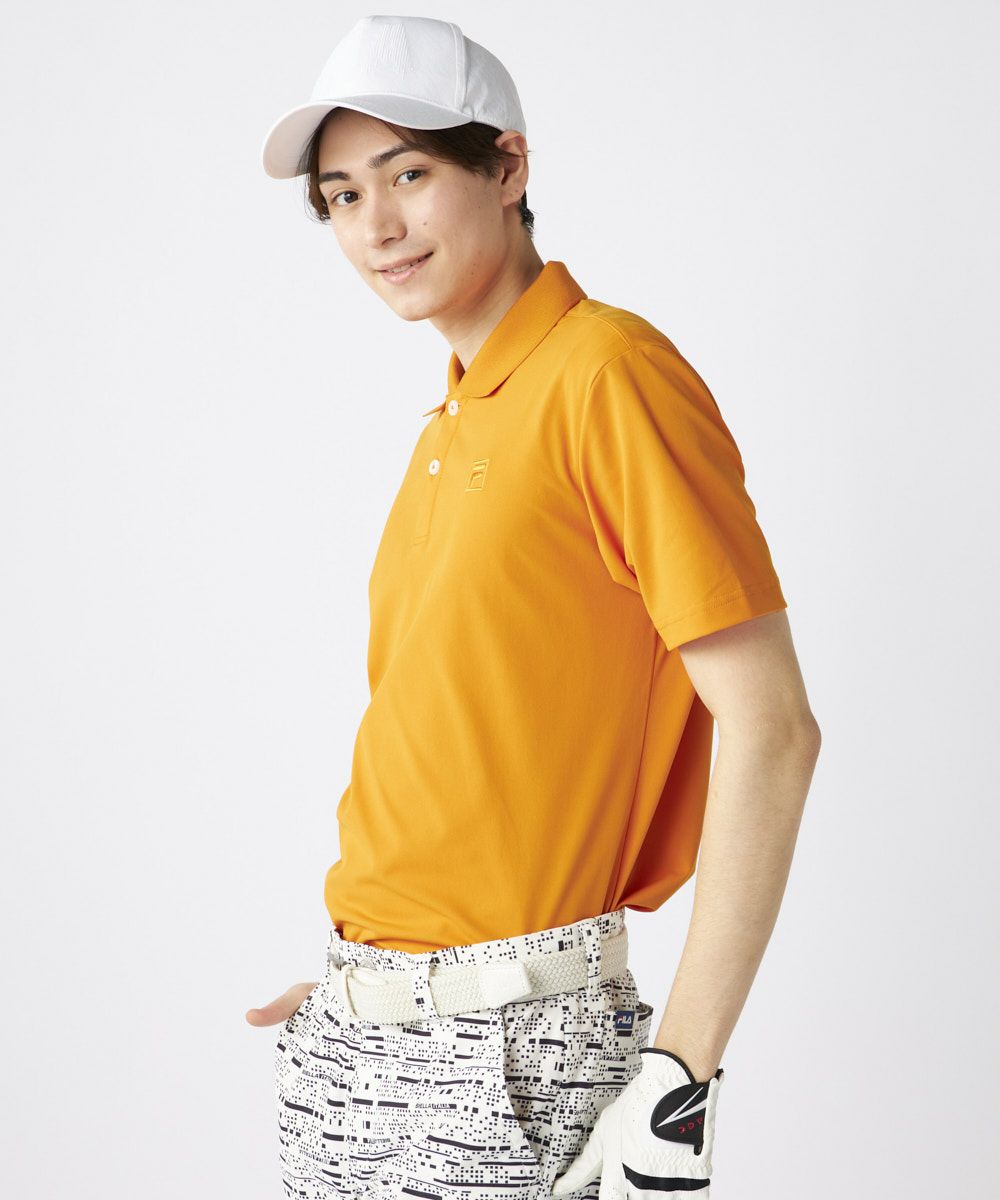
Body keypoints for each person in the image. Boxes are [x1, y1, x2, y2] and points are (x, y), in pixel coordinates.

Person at [247, 15, 820, 1200]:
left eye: (410, 174)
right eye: (342, 196)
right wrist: (368, 992)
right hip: (364, 1042)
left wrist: (677, 1079)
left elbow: (772, 725)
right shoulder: (455, 417)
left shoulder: (605, 373)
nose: (376, 224)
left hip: (506, 1048)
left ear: (506, 167)